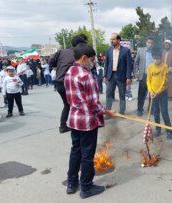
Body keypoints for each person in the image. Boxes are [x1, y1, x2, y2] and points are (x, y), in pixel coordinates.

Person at [64, 43, 115, 199]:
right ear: (84, 58)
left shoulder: (69, 72)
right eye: (92, 60)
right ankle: (86, 187)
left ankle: (72, 183)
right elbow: (94, 103)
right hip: (87, 121)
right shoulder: (87, 76)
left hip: (74, 119)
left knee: (76, 151)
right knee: (87, 155)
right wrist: (107, 112)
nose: (93, 62)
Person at [49, 34, 88, 133]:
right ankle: (80, 124)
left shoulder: (62, 51)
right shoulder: (79, 55)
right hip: (69, 83)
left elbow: (51, 61)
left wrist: (57, 65)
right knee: (79, 103)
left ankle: (63, 126)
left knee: (67, 104)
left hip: (59, 83)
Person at [147, 47, 172, 139]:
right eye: (154, 58)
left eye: (157, 58)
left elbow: (164, 82)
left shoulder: (164, 66)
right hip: (153, 94)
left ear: (161, 58)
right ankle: (158, 129)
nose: (155, 60)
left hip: (162, 93)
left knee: (164, 112)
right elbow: (148, 81)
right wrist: (150, 91)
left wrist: (157, 92)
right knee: (156, 112)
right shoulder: (150, 67)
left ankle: (169, 131)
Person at [104, 33, 133, 115]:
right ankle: (108, 112)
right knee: (109, 95)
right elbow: (106, 63)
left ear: (118, 40)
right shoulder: (108, 50)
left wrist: (128, 77)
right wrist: (105, 75)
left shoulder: (126, 50)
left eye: (113, 39)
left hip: (121, 76)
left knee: (122, 95)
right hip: (111, 76)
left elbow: (129, 65)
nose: (111, 41)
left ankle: (122, 112)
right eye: (111, 39)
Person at [134, 37, 154, 116]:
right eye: (149, 42)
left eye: (152, 43)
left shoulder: (154, 52)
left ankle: (150, 109)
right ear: (146, 42)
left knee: (151, 94)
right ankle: (139, 109)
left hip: (152, 77)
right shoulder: (140, 50)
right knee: (141, 94)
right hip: (143, 75)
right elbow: (136, 62)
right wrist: (136, 72)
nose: (150, 44)